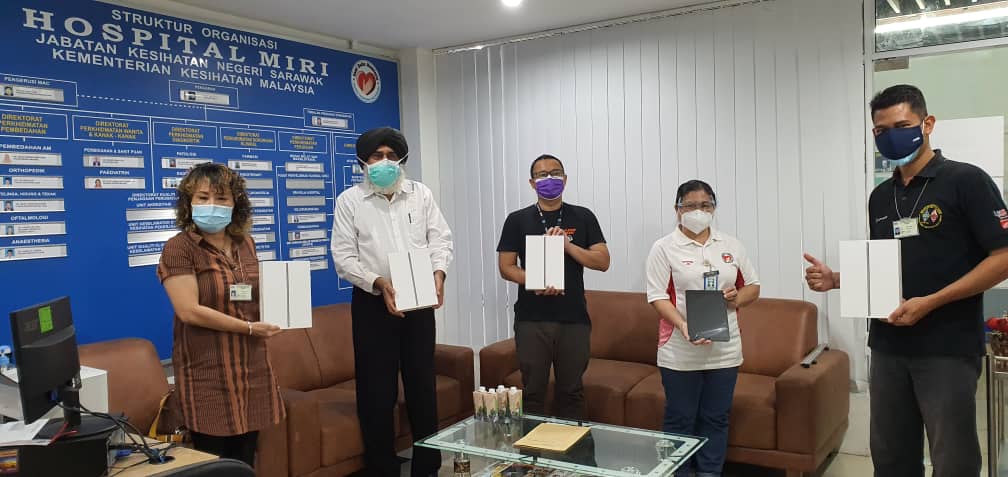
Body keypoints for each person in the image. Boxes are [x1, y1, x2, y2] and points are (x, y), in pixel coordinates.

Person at [804, 85, 1008, 477]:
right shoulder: (881, 196)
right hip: (888, 347)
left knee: (953, 460)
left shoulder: (966, 180)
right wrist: (837, 279)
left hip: (947, 348)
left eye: (902, 126)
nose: (891, 137)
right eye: (881, 131)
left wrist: (931, 301)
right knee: (891, 456)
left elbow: (1002, 257)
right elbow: (889, 267)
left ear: (927, 124)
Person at [330, 127, 453, 477]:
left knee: (422, 384)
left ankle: (427, 466)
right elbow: (343, 257)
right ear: (363, 162)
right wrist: (378, 282)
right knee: (376, 389)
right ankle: (381, 467)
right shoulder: (350, 201)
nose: (385, 162)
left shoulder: (420, 194)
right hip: (373, 301)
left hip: (418, 297)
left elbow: (440, 239)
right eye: (377, 156)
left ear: (401, 160)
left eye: (391, 156)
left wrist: (439, 274)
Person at [156, 163, 284, 467]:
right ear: (188, 203)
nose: (212, 205)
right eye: (203, 197)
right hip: (208, 373)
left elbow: (251, 293)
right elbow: (189, 311)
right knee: (213, 464)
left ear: (235, 204)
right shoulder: (179, 248)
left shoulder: (246, 243)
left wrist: (281, 306)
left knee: (246, 459)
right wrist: (248, 328)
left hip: (252, 370)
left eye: (222, 198)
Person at [645, 180, 760, 477]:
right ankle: (678, 473)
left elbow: (753, 287)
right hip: (679, 349)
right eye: (691, 205)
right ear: (677, 209)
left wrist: (736, 299)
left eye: (705, 205)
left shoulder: (731, 245)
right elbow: (657, 296)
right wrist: (683, 325)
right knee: (679, 419)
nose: (699, 211)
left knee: (716, 418)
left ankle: (710, 473)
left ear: (714, 208)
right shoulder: (664, 248)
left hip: (725, 349)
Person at [496, 154, 610, 419]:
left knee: (572, 392)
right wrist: (534, 279)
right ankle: (533, 448)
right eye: (541, 175)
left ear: (565, 179)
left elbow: (603, 261)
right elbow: (506, 267)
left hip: (573, 319)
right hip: (532, 320)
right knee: (533, 393)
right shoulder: (517, 220)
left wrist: (568, 246)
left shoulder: (583, 216)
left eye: (555, 173)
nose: (549, 178)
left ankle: (571, 447)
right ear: (532, 183)